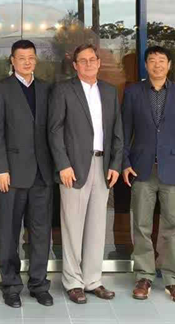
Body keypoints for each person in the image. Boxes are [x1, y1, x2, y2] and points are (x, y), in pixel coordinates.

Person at [48, 43, 123, 305]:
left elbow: (117, 131)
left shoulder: (110, 92)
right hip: (73, 167)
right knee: (72, 226)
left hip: (102, 166)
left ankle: (92, 280)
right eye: (83, 60)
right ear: (75, 65)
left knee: (97, 226)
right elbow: (55, 131)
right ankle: (73, 282)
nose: (89, 64)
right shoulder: (63, 90)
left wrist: (115, 164)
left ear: (99, 63)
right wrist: (62, 165)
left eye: (92, 59)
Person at [121, 46, 175, 303]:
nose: (157, 65)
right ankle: (144, 276)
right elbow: (124, 132)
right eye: (152, 61)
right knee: (141, 225)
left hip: (174, 169)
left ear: (169, 64)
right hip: (142, 169)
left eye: (161, 60)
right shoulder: (133, 93)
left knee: (173, 226)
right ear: (146, 65)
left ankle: (173, 280)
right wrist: (125, 162)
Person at [0, 40, 55, 309]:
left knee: (41, 233)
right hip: (12, 174)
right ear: (12, 61)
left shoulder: (47, 89)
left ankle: (39, 284)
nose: (27, 62)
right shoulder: (0, 89)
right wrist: (1, 169)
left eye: (31, 57)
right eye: (22, 58)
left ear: (36, 60)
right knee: (9, 233)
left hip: (43, 174)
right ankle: (11, 285)